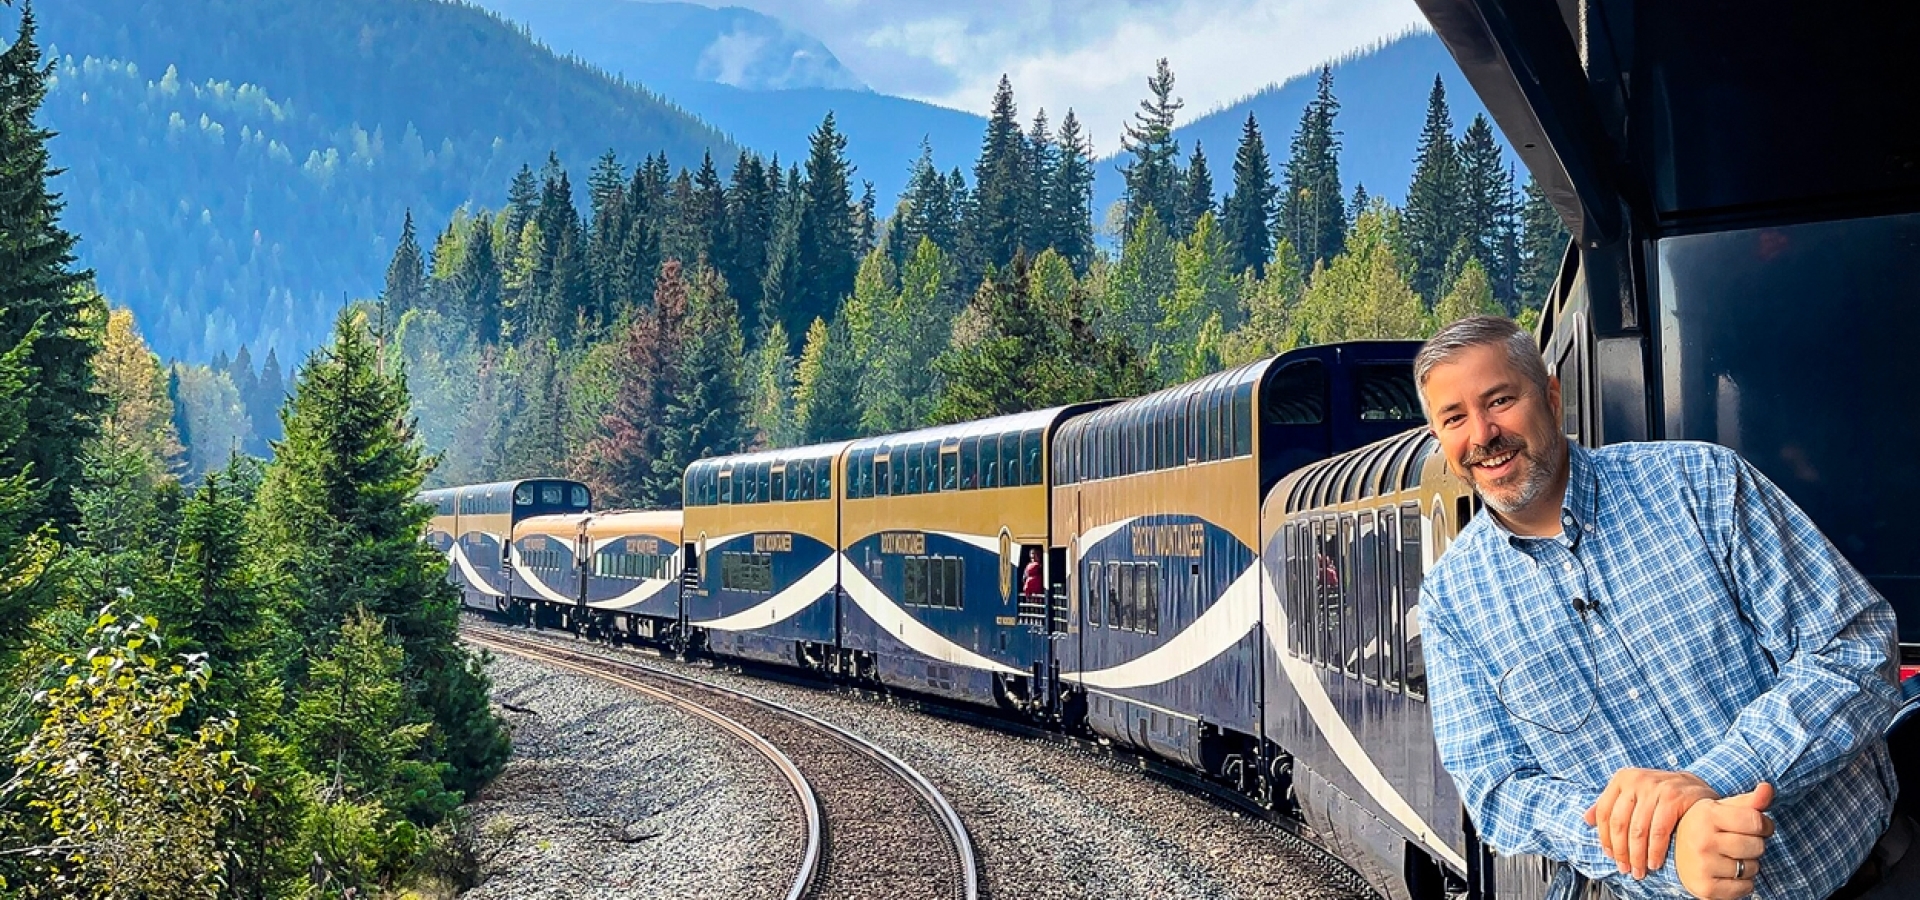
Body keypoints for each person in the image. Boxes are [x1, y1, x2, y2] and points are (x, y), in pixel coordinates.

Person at [1413, 316, 1911, 900]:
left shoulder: (1698, 482)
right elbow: (1497, 789)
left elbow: (1854, 648)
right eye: (1454, 418)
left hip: (1877, 876)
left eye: (1500, 399)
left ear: (1551, 396)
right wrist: (1667, 845)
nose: (1483, 433)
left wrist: (1709, 782)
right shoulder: (1451, 602)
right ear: (1442, 441)